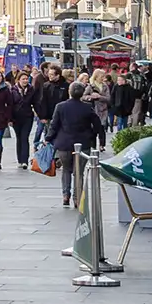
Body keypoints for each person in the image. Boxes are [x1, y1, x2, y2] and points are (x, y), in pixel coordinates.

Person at [45, 77, 102, 208]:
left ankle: (66, 195)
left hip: (64, 143)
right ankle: (78, 198)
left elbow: (54, 125)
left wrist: (48, 139)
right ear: (82, 93)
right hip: (83, 143)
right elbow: (97, 125)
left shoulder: (60, 107)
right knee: (79, 172)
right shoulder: (87, 108)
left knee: (66, 169)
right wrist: (98, 138)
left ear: (69, 92)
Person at [9, 70, 36, 169]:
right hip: (16, 117)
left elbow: (35, 102)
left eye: (26, 79)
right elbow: (10, 105)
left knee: (25, 137)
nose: (25, 81)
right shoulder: (13, 90)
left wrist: (40, 114)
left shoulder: (31, 89)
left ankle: (25, 160)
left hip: (27, 116)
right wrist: (10, 119)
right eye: (23, 79)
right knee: (19, 138)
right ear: (18, 80)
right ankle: (20, 160)